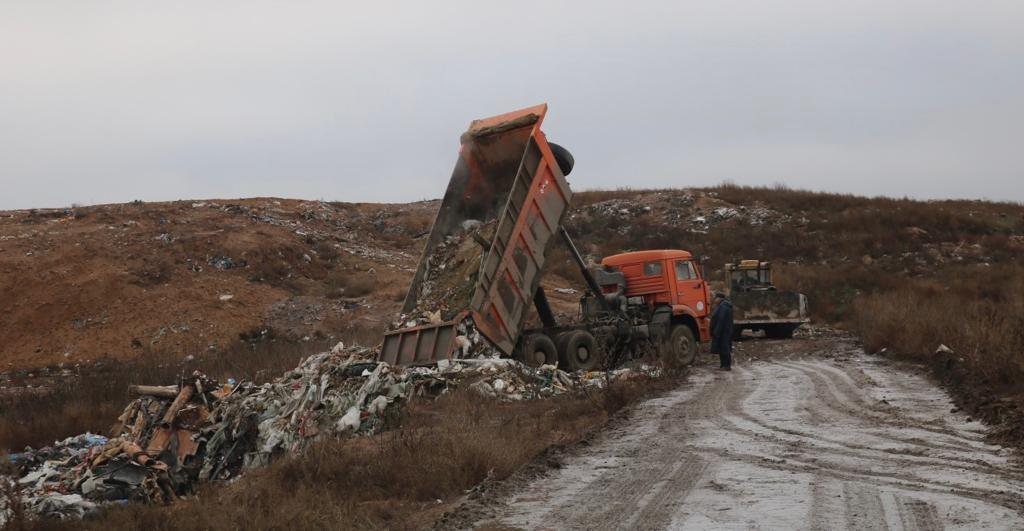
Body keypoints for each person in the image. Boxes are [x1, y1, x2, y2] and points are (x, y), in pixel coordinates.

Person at [709, 292, 734, 370]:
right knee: (722, 347)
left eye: (716, 298)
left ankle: (727, 365)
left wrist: (716, 331)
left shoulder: (723, 307)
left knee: (724, 347)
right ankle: (723, 365)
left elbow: (721, 320)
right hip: (723, 331)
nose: (714, 299)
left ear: (720, 298)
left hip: (723, 331)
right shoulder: (721, 306)